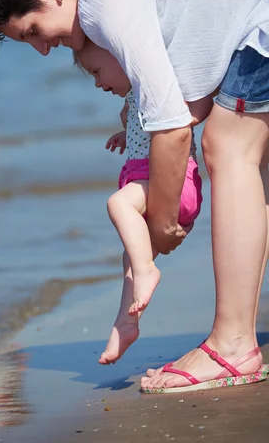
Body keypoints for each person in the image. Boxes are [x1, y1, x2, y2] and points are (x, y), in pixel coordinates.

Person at [0, 0, 269, 392]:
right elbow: (187, 95)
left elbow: (174, 128)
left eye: (34, 33)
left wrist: (163, 226)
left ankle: (233, 346)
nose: (44, 50)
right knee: (250, 150)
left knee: (231, 146)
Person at [74, 38, 206, 365]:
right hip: (147, 183)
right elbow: (136, 123)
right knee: (130, 258)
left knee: (118, 205)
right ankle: (126, 322)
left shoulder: (157, 84)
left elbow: (197, 108)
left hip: (173, 181)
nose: (97, 82)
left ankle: (148, 273)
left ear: (121, 56)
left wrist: (179, 123)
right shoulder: (132, 99)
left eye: (97, 71)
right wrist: (125, 133)